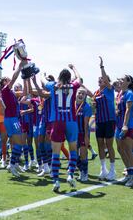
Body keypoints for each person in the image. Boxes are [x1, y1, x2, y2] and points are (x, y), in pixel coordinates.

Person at [44, 64, 82, 192]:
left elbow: (43, 82)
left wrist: (43, 76)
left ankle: (56, 181)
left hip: (58, 121)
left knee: (55, 152)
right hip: (71, 121)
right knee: (73, 150)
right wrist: (74, 67)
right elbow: (79, 79)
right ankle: (70, 174)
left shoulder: (54, 85)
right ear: (69, 77)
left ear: (59, 77)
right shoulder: (73, 86)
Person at [88, 57, 116, 181]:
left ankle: (112, 170)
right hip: (99, 121)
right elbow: (95, 106)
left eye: (102, 79)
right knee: (100, 145)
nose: (100, 80)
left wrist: (101, 67)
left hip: (109, 120)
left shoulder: (109, 90)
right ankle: (103, 169)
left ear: (106, 81)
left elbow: (104, 78)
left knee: (109, 146)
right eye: (99, 79)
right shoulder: (96, 93)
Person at [0, 61, 26, 177]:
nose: (9, 79)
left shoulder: (10, 92)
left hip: (13, 119)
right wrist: (19, 66)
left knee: (17, 143)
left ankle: (14, 163)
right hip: (12, 120)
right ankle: (12, 165)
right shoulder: (5, 90)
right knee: (19, 144)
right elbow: (14, 78)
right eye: (6, 79)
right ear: (3, 83)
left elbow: (25, 92)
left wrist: (26, 77)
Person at [115, 75, 133, 187]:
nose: (119, 80)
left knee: (128, 150)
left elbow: (128, 110)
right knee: (120, 149)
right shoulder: (121, 94)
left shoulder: (130, 93)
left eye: (122, 79)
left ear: (128, 82)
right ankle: (129, 173)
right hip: (119, 125)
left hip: (127, 125)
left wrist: (125, 125)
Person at [75, 88, 93, 182]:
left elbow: (86, 125)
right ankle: (81, 170)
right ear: (76, 94)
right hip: (73, 134)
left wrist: (86, 137)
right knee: (73, 155)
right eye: (79, 93)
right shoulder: (71, 104)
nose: (80, 95)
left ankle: (84, 173)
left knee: (83, 154)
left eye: (83, 93)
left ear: (85, 96)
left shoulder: (87, 107)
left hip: (82, 133)